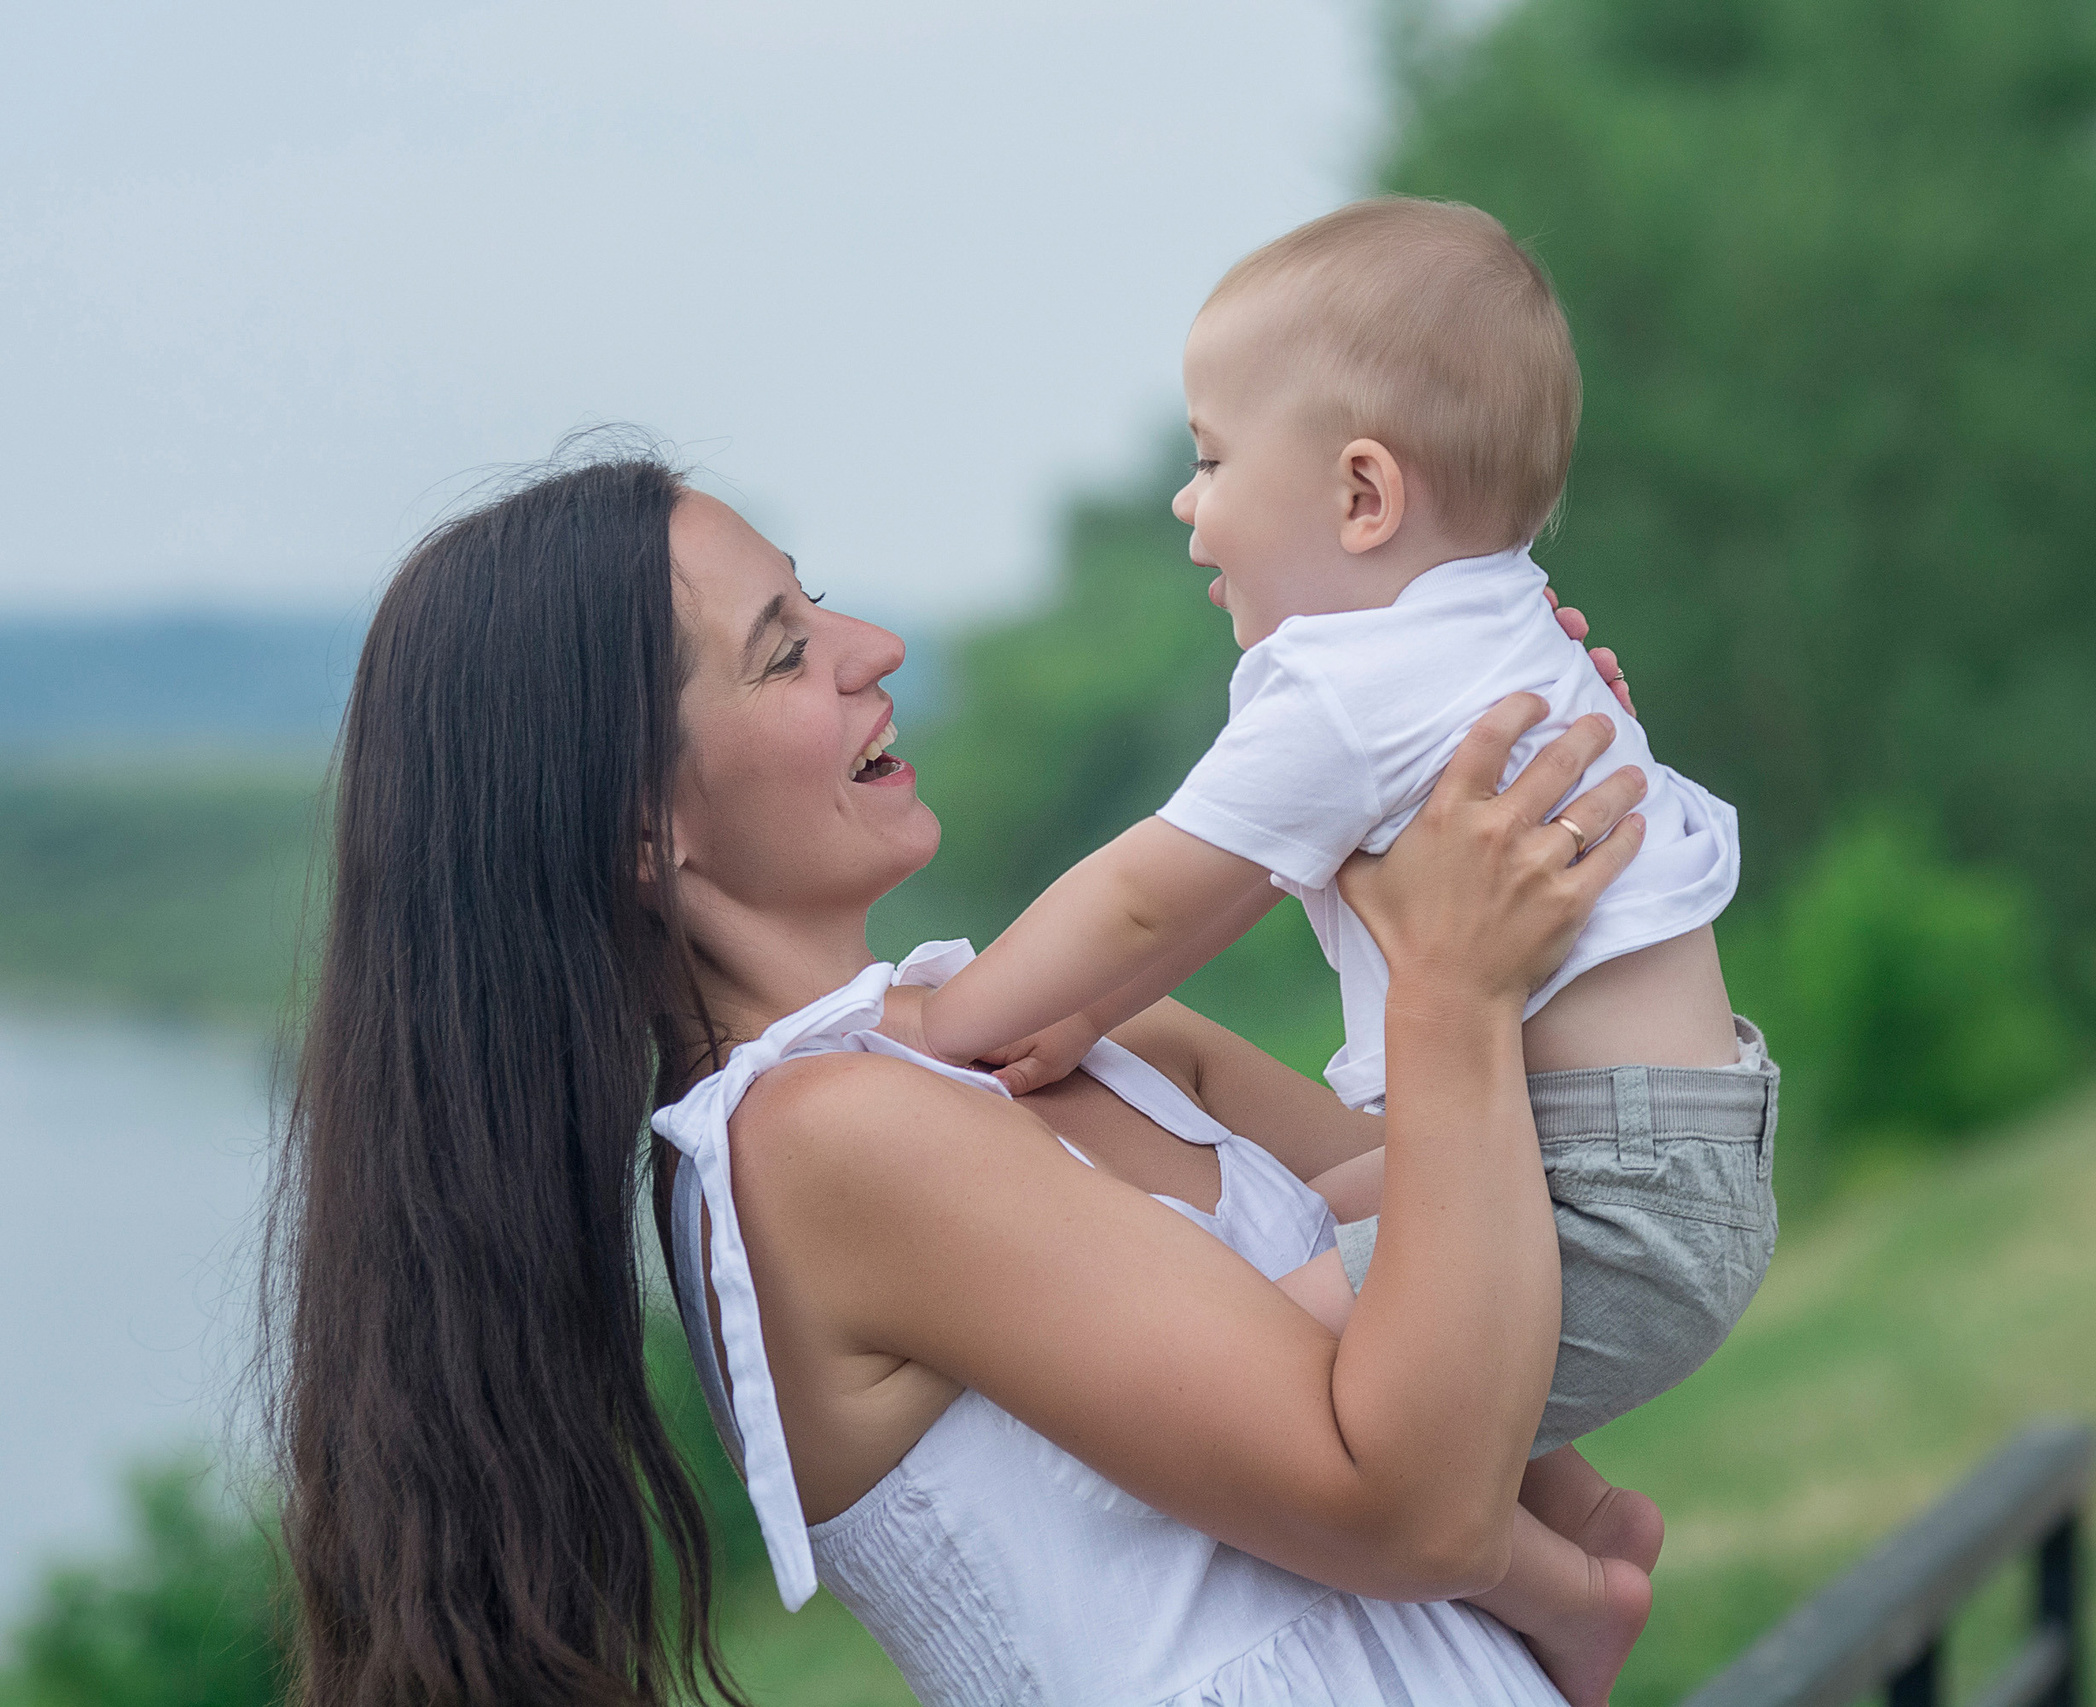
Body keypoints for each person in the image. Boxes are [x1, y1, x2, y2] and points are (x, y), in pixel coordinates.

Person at [267, 446, 1663, 1707]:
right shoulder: (821, 1141)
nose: (872, 650)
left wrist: (1495, 805)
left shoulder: (1067, 1039)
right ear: (645, 829)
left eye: (819, 608)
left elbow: (1509, 1234)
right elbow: (1409, 1508)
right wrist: (1450, 989)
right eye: (783, 654)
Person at [891, 198, 1779, 1689]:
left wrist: (958, 1020)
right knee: (1302, 1221)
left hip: (1604, 1190)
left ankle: (1560, 1589)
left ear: (1363, 493)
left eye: (1213, 458)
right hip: (1668, 1147)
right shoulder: (1501, 629)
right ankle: (1586, 1526)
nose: (1189, 506)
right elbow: (1212, 905)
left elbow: (1151, 895)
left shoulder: (1342, 684)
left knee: (1288, 1384)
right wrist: (1071, 1018)